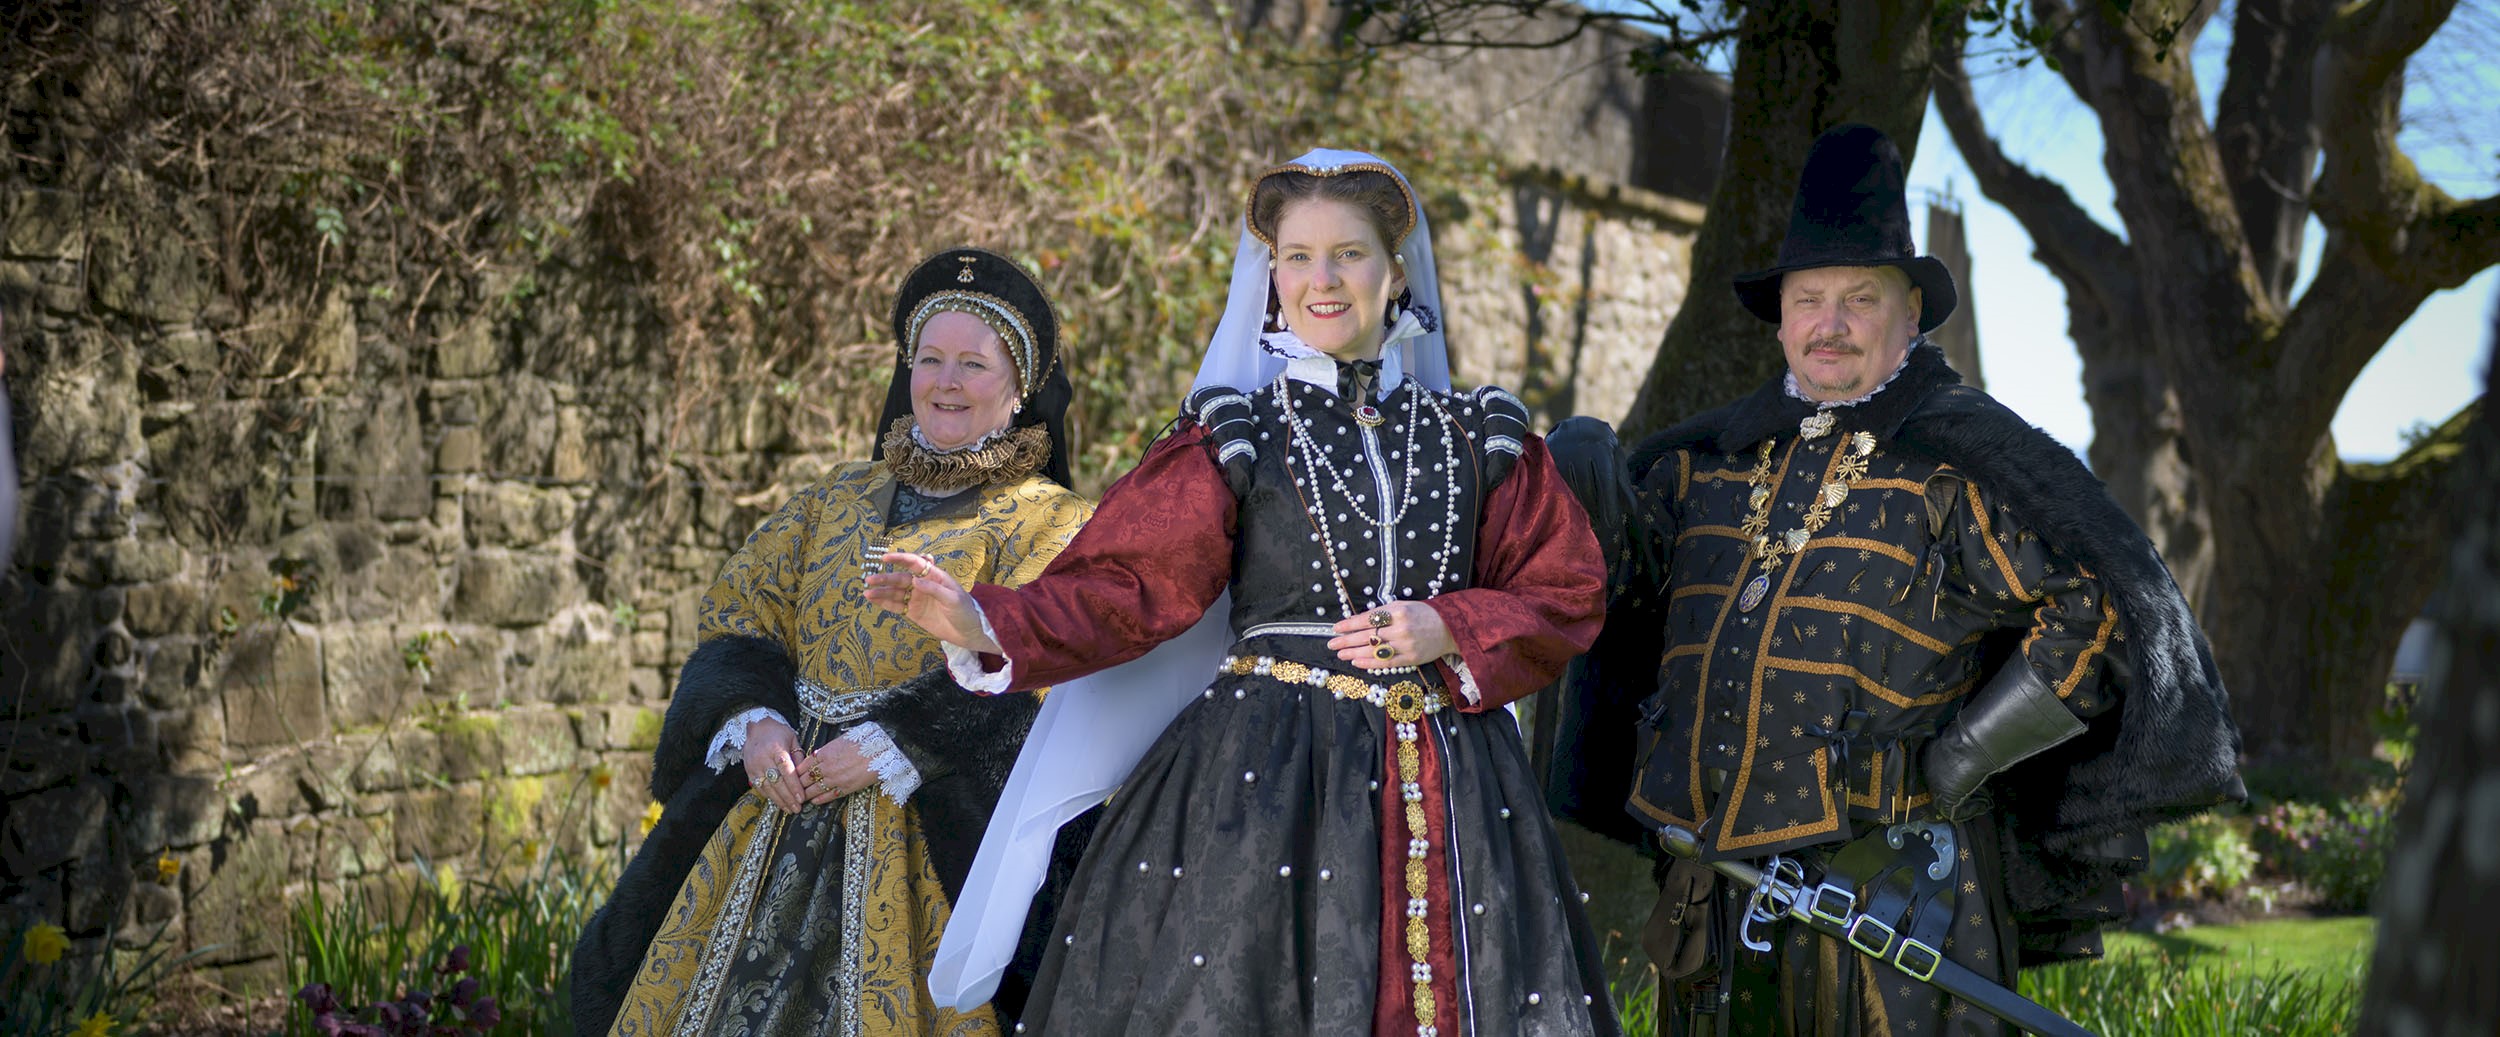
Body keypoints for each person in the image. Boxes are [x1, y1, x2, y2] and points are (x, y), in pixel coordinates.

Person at [865, 149, 1621, 1036]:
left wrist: (1452, 623)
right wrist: (985, 617)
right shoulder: (1234, 432)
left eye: (1348, 253)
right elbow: (1129, 582)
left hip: (1452, 780)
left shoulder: (1480, 436)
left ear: (1396, 272)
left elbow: (1566, 587)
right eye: (1297, 256)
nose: (1322, 279)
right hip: (1265, 782)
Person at [1550, 123, 2245, 1035]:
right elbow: (1623, 588)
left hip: (1889, 901)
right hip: (1711, 893)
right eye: (1808, 299)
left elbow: (2099, 608)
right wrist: (1581, 472)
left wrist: (1960, 758)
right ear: (1781, 314)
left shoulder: (1955, 471)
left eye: (1859, 298)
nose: (1828, 324)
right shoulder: (1704, 468)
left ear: (1910, 312)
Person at [570, 247, 1094, 1037]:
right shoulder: (833, 498)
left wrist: (900, 741)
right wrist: (753, 719)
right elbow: (740, 615)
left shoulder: (1051, 520)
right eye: (930, 358)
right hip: (780, 802)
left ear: (1019, 388)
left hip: (932, 828)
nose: (946, 381)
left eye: (973, 364)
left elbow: (1049, 663)